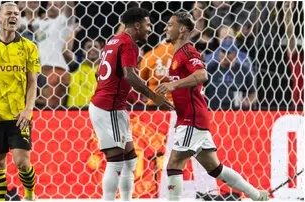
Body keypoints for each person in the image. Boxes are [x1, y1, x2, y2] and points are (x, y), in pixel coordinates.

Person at [155, 11, 269, 201]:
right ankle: (258, 196)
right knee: (216, 169)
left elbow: (202, 75)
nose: (166, 27)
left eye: (170, 24)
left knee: (174, 163)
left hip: (192, 119)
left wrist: (173, 85)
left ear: (182, 29)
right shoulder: (176, 55)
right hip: (190, 117)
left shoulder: (188, 51)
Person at [89, 7, 174, 201]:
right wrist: (154, 96)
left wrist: (120, 92)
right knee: (116, 161)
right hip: (107, 108)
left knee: (130, 159)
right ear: (137, 25)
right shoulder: (129, 44)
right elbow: (129, 74)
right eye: (148, 25)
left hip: (114, 106)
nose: (150, 29)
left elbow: (99, 74)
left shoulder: (113, 41)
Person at [0, 2, 39, 201]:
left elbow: (32, 81)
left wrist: (28, 109)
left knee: (22, 163)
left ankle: (29, 194)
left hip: (19, 114)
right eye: (9, 13)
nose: (14, 17)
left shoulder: (29, 47)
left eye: (17, 14)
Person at [205, 40, 256, 110]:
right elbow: (200, 89)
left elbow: (253, 94)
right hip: (213, 111)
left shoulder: (244, 71)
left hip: (236, 112)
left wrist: (247, 103)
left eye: (228, 52)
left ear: (235, 54)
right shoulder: (210, 68)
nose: (225, 55)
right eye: (223, 51)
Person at [67, 38, 103, 108]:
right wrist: (73, 30)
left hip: (98, 111)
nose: (92, 49)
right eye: (89, 47)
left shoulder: (105, 68)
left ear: (101, 50)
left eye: (96, 46)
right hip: (75, 111)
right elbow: (66, 52)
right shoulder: (77, 65)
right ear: (83, 51)